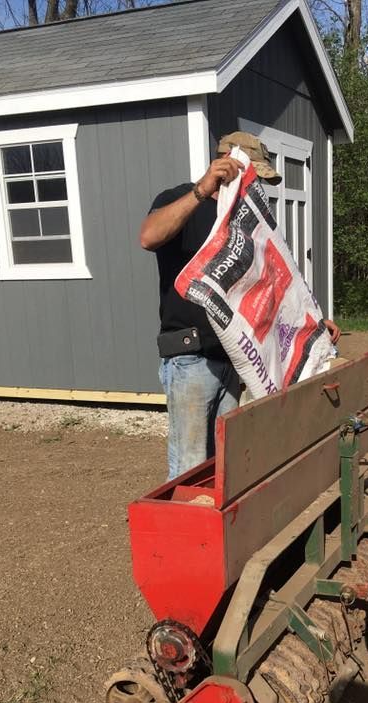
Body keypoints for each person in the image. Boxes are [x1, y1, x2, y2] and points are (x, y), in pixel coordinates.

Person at [140, 130, 340, 480]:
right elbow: (148, 236)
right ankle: (184, 532)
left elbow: (273, 286)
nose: (257, 186)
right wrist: (202, 189)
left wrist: (315, 326)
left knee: (222, 466)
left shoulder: (245, 216)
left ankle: (214, 532)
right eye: (252, 175)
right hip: (190, 357)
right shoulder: (182, 199)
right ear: (227, 164)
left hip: (231, 360)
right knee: (188, 467)